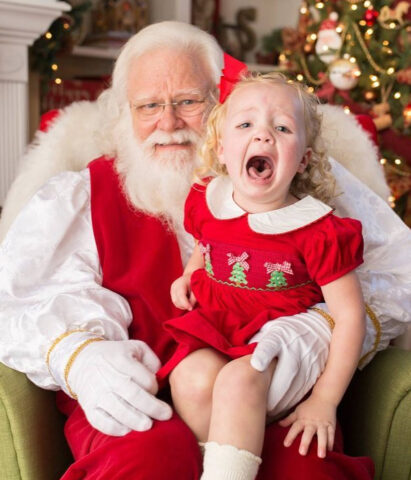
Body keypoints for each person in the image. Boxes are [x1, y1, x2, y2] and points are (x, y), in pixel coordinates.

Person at [0, 20, 409, 479]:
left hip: (266, 392)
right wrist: (81, 357)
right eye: (149, 106)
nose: (169, 124)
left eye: (188, 102)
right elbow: (23, 297)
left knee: (301, 465)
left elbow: (393, 272)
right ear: (125, 114)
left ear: (221, 103)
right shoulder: (82, 196)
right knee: (146, 457)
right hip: (138, 398)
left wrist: (317, 330)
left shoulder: (297, 178)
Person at [160, 70, 366, 480]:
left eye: (283, 127)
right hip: (223, 324)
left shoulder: (316, 229)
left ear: (303, 159)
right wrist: (189, 274)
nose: (263, 136)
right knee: (189, 378)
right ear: (221, 149)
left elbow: (350, 316)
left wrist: (324, 400)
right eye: (245, 124)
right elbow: (206, 242)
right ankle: (225, 462)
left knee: (240, 378)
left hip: (285, 336)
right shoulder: (210, 199)